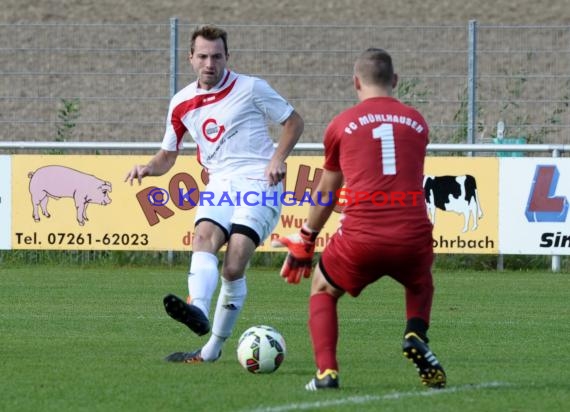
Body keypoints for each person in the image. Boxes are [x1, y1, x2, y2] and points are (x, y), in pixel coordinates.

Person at [125, 24, 304, 363]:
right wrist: (148, 168)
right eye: (203, 56)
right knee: (203, 235)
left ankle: (212, 349)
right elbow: (168, 155)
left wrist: (278, 158)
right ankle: (199, 311)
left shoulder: (251, 88)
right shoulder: (181, 103)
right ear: (191, 58)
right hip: (221, 182)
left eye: (217, 56)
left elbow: (294, 121)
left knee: (234, 265)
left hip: (258, 182)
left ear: (227, 57)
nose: (210, 63)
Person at [273, 48, 446, 390]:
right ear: (395, 81)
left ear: (355, 82)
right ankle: (415, 331)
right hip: (412, 233)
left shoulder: (341, 125)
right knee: (419, 280)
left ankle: (326, 373)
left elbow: (327, 191)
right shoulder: (417, 122)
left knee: (322, 287)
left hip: (362, 235)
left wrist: (306, 237)